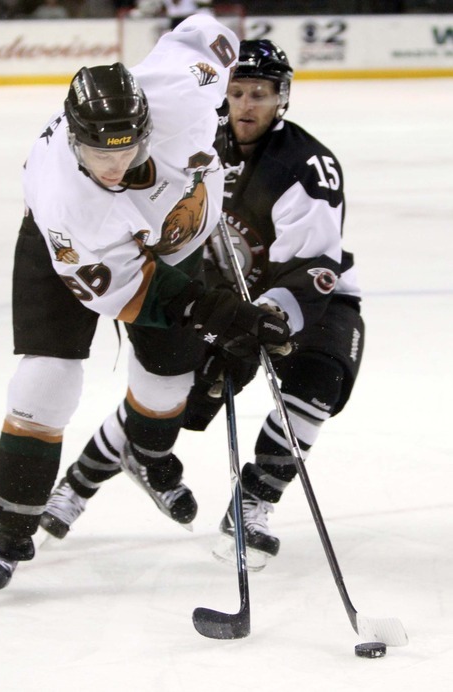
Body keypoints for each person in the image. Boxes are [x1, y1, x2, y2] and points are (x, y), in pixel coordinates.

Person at [0, 16, 289, 592]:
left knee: (169, 382)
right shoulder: (67, 202)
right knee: (47, 381)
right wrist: (213, 310)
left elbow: (210, 34)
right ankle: (13, 525)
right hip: (70, 255)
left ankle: (145, 453)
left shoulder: (179, 89)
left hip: (174, 237)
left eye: (127, 150)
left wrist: (216, 109)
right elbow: (134, 293)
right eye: (99, 156)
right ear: (75, 142)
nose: (115, 168)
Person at [182, 38, 365, 568]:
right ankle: (119, 462)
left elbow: (316, 266)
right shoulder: (199, 149)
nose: (246, 105)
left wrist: (271, 313)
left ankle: (254, 502)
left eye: (259, 93)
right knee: (191, 405)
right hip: (230, 301)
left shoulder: (307, 164)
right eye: (236, 92)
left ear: (280, 97)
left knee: (317, 383)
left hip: (313, 300)